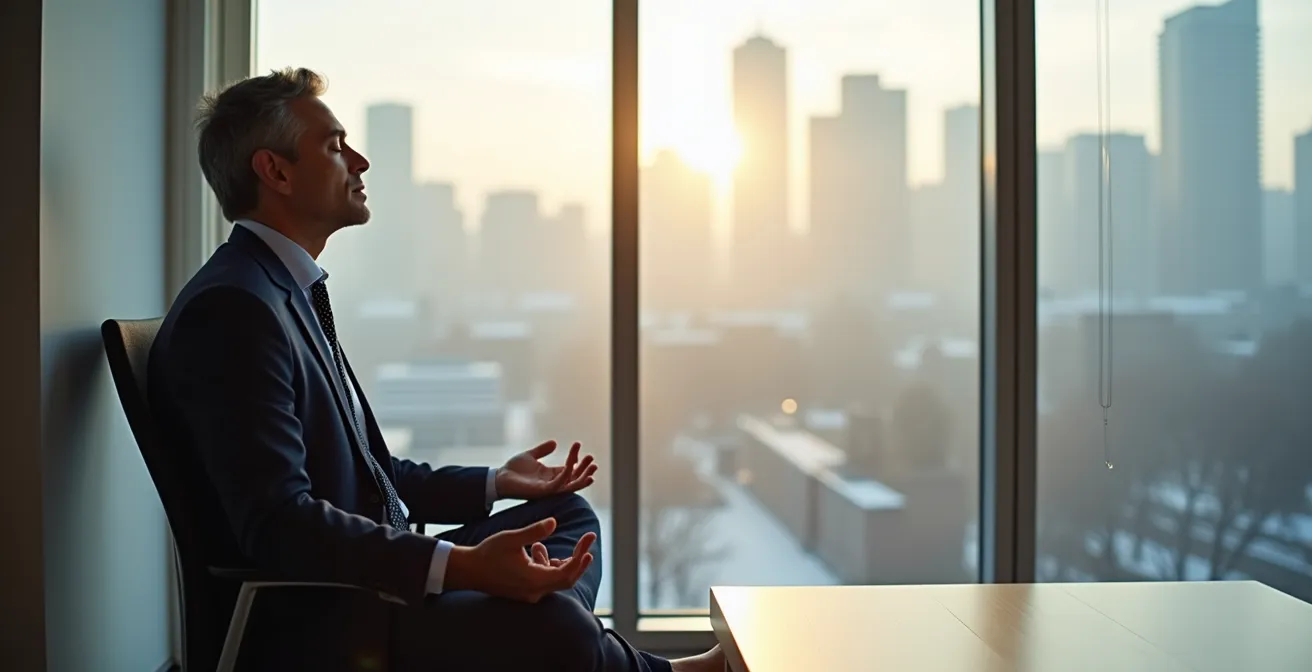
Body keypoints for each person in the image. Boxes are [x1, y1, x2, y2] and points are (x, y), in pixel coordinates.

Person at [149, 67, 724, 671]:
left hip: (375, 575)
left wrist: (497, 482)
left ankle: (576, 648)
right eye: (334, 145)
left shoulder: (278, 291)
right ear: (276, 171)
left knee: (569, 518)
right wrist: (467, 568)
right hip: (331, 614)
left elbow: (374, 473)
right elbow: (278, 524)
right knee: (553, 622)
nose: (360, 161)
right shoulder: (236, 308)